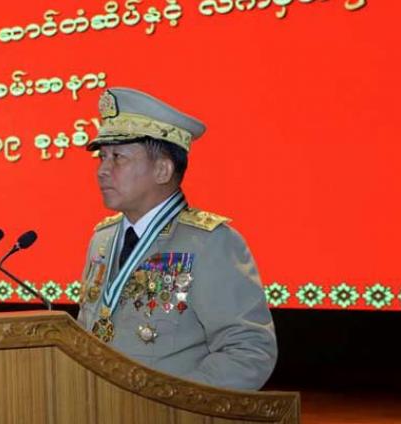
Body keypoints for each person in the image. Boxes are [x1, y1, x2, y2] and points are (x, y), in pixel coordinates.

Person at [76, 87, 277, 390]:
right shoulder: (102, 240)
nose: (102, 170)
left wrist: (173, 404)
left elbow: (249, 351)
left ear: (162, 170)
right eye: (101, 157)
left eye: (117, 157)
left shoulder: (210, 243)